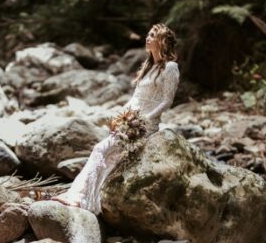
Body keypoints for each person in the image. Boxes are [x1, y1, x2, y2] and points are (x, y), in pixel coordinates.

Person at [52, 23, 180, 214]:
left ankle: (80, 199)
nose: (148, 38)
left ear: (162, 41)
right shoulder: (148, 66)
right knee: (107, 156)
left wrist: (144, 119)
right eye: (148, 34)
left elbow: (166, 101)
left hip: (145, 126)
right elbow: (135, 98)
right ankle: (83, 197)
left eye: (153, 35)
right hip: (131, 123)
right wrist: (120, 117)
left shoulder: (170, 68)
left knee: (100, 149)